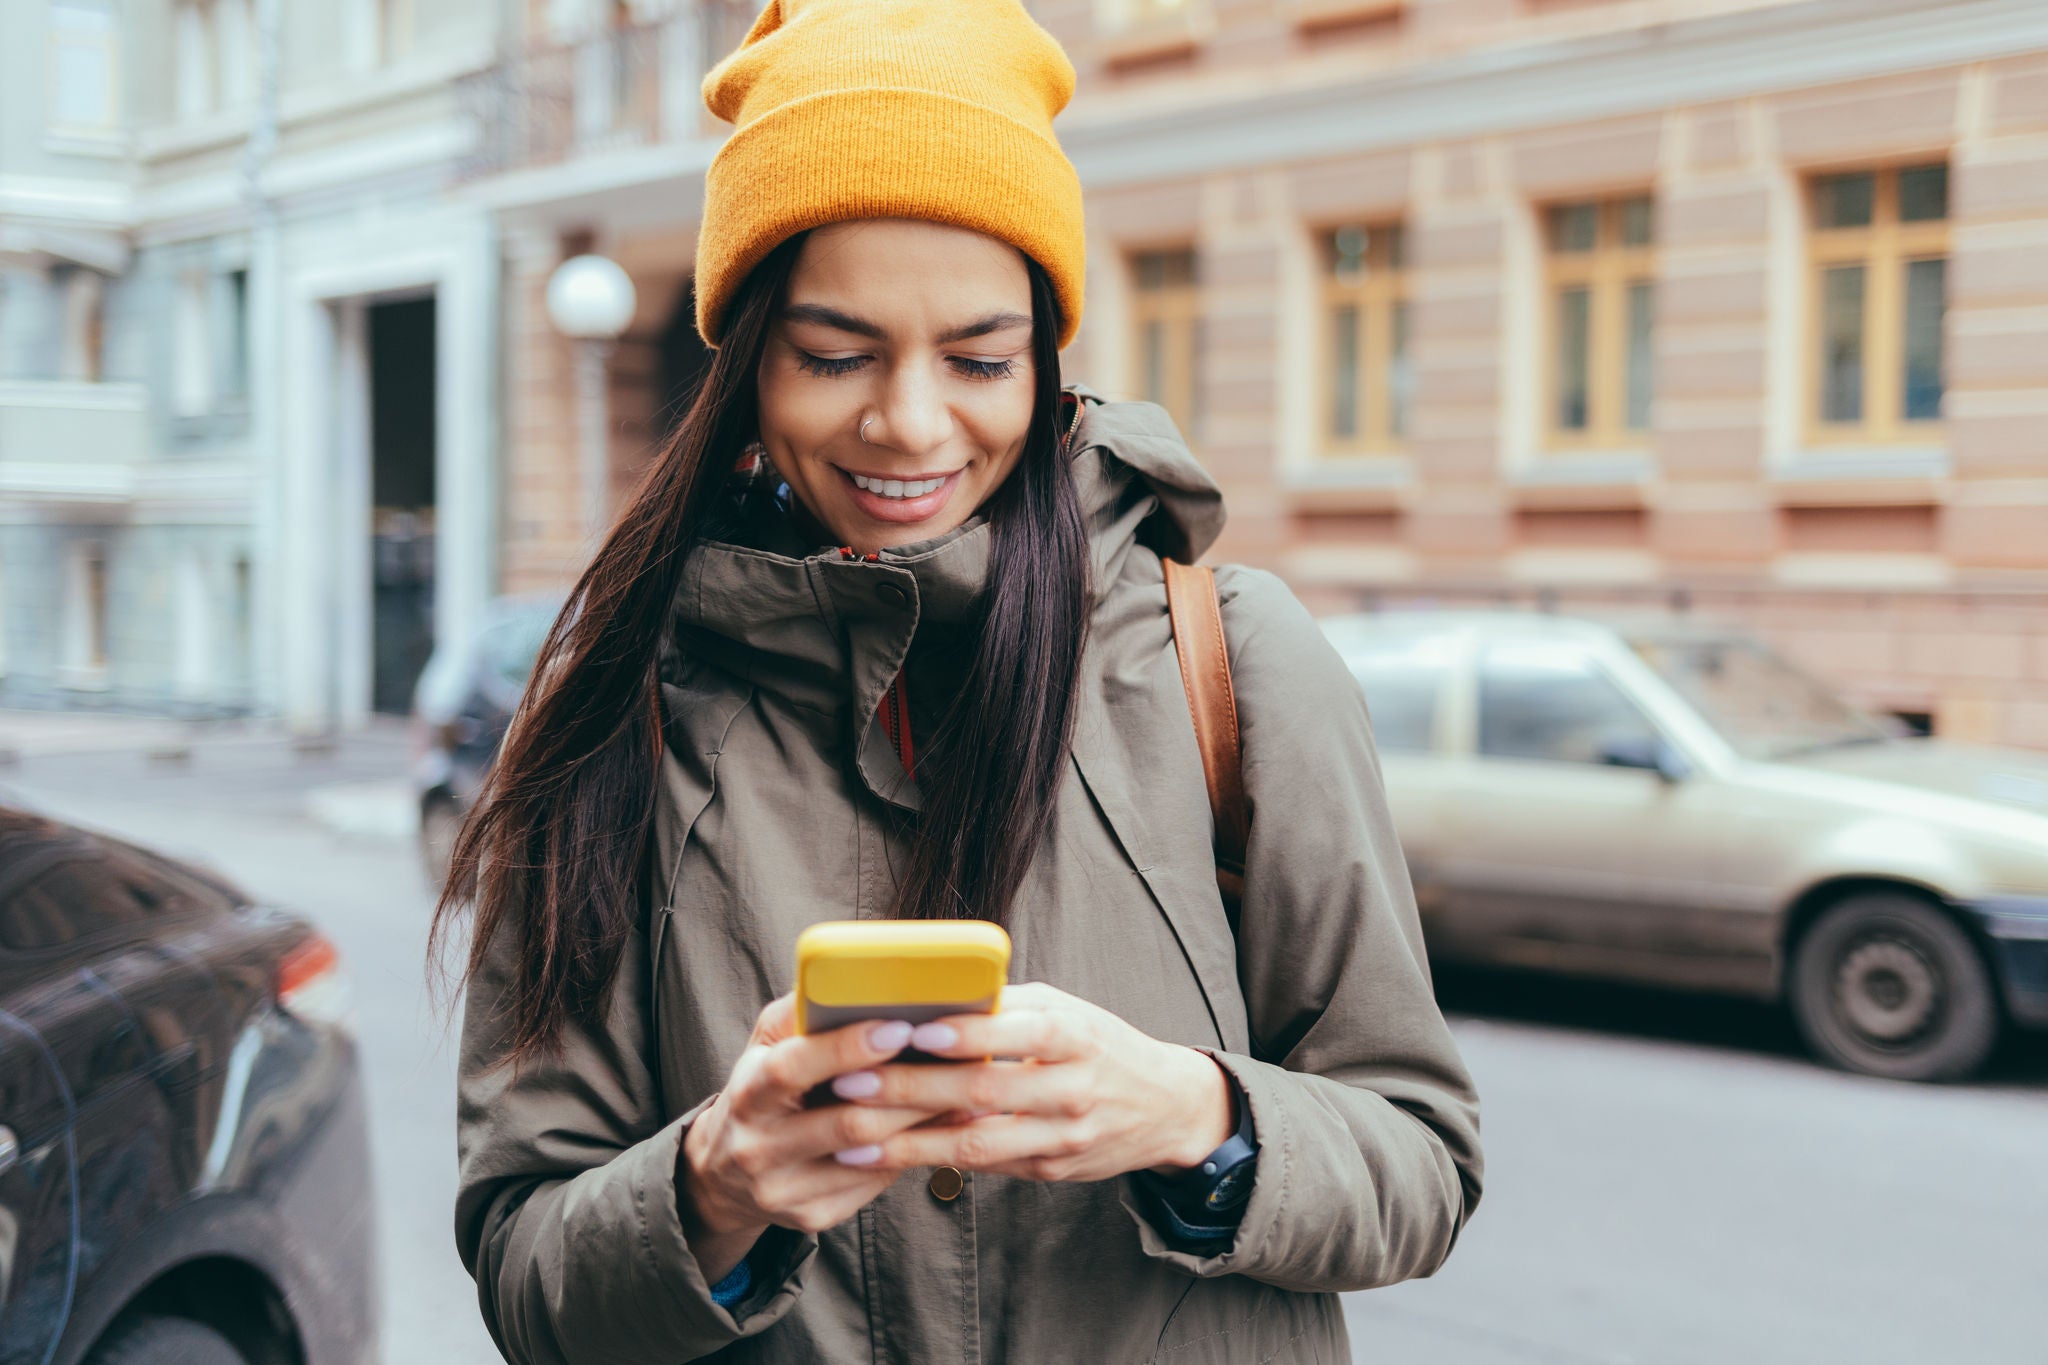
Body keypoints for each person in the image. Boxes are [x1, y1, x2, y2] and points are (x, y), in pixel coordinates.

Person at [437, 0, 1482, 1360]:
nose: (912, 424)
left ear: (1046, 358)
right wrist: (710, 1184)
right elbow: (525, 1272)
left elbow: (1424, 1162)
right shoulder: (612, 702)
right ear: (745, 359)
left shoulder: (1233, 656)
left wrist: (1194, 1115)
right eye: (835, 355)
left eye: (980, 358)